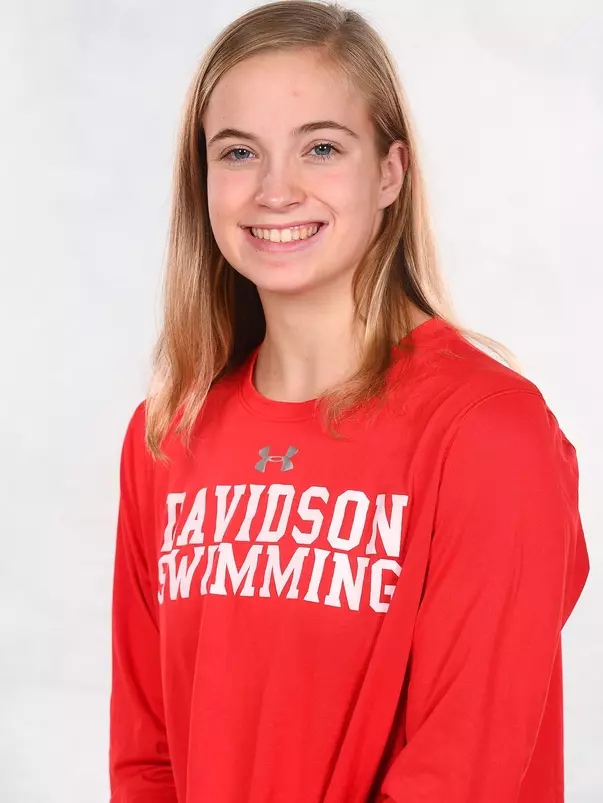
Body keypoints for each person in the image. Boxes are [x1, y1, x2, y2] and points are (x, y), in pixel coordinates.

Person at [108, 2, 590, 802]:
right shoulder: (167, 438)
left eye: (321, 147)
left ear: (390, 172)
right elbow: (146, 758)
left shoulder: (487, 433)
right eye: (238, 153)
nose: (274, 190)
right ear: (204, 180)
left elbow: (460, 776)